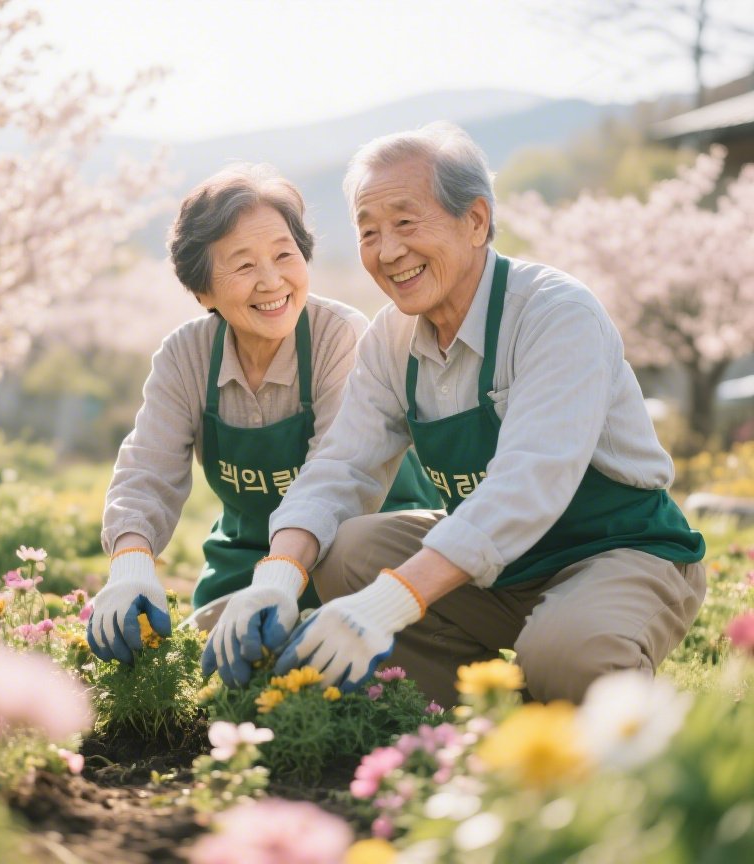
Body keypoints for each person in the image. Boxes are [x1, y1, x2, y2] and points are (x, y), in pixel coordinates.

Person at [203, 124, 707, 705]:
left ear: (475, 221)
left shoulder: (555, 314)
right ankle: (476, 711)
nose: (388, 251)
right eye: (369, 231)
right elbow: (340, 469)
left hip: (614, 550)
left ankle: (570, 681)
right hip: (494, 571)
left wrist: (384, 605)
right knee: (346, 551)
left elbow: (528, 484)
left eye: (406, 223)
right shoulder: (391, 338)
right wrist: (276, 579)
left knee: (569, 656)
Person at [86, 164, 439, 665]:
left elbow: (333, 476)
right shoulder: (186, 355)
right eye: (243, 265)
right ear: (202, 290)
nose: (271, 281)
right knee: (201, 670)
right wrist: (131, 565)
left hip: (359, 560)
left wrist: (280, 579)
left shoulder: (339, 336)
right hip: (246, 561)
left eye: (283, 254)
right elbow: (146, 471)